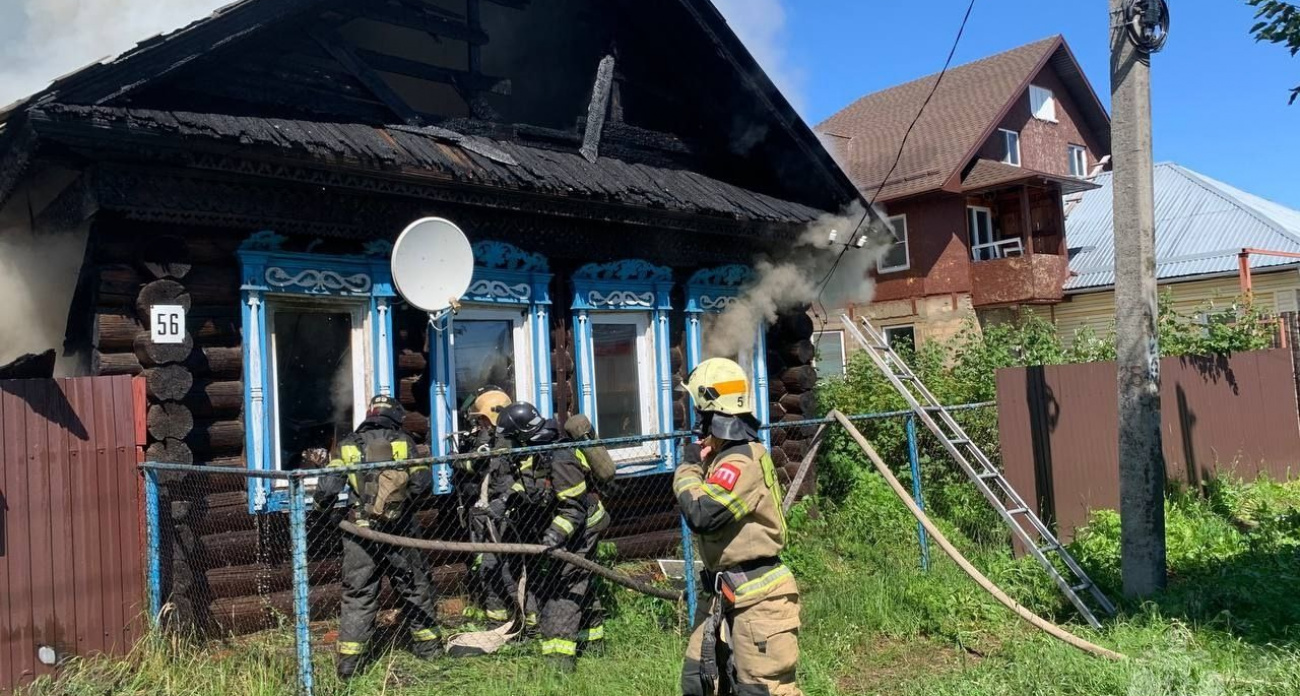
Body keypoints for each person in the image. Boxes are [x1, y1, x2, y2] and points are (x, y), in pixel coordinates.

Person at [675, 358, 802, 696]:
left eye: (698, 411)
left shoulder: (741, 461)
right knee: (698, 683)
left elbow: (701, 514)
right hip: (722, 595)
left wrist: (687, 469)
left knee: (760, 691)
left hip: (759, 600)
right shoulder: (724, 456)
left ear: (710, 410)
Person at [312, 394, 443, 679]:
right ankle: (431, 653)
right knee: (414, 586)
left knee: (359, 593)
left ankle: (349, 667)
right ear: (394, 416)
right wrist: (400, 502)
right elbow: (422, 484)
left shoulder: (347, 445)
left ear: (370, 414)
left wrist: (323, 512)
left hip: (360, 531)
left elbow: (327, 489)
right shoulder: (404, 442)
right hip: (400, 531)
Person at [496, 402, 609, 671]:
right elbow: (529, 481)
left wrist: (552, 536)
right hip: (573, 528)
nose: (510, 445)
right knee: (580, 582)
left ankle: (558, 667)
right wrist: (504, 500)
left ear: (524, 435)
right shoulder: (537, 452)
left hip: (584, 528)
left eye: (512, 439)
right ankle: (593, 644)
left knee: (561, 593)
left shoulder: (559, 458)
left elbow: (574, 510)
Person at [454, 387, 523, 629]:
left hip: (501, 514)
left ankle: (517, 621)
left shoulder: (500, 444)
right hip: (499, 511)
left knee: (498, 568)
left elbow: (476, 466)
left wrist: (459, 458)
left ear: (493, 417)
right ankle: (504, 621)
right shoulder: (509, 439)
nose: (480, 424)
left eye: (482, 419)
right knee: (493, 566)